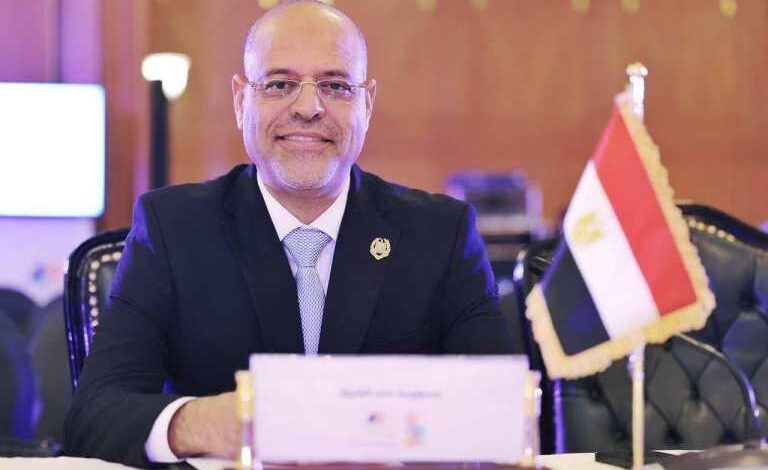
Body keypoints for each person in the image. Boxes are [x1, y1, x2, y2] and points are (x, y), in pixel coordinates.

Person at [64, 1, 519, 467]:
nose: (308, 108)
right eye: (279, 84)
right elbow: (94, 417)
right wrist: (206, 422)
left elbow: (501, 413)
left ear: (366, 103)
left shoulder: (440, 234)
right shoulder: (174, 227)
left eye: (335, 86)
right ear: (241, 100)